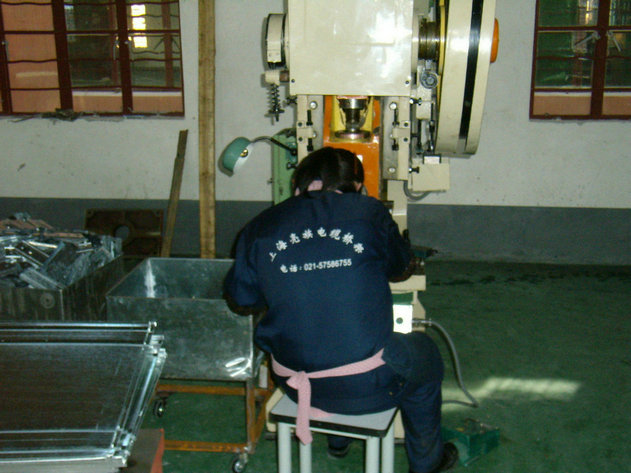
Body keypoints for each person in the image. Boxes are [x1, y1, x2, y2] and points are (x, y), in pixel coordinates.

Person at [223, 146, 457, 473]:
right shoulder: (369, 212)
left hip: (292, 379)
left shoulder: (259, 226)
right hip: (369, 382)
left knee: (321, 340)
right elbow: (400, 267)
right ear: (358, 187)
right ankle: (427, 463)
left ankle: (338, 442)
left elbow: (242, 300)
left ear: (298, 186)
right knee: (426, 355)